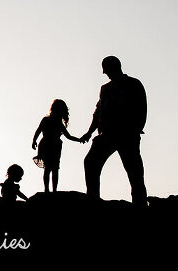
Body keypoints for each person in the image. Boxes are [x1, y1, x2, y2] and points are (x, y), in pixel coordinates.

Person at [81, 56, 148, 207]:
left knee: (134, 172)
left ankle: (140, 204)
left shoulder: (133, 84)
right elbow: (98, 112)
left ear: (114, 67)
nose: (105, 73)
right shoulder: (105, 89)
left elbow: (141, 107)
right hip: (107, 135)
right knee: (90, 162)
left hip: (127, 134)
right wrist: (90, 132)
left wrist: (136, 129)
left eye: (106, 69)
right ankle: (93, 200)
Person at [32, 99, 83, 192]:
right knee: (52, 168)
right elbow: (68, 136)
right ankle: (50, 189)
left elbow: (68, 136)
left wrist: (34, 141)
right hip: (51, 145)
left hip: (50, 145)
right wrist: (34, 140)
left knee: (50, 168)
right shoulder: (52, 121)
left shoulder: (50, 121)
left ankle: (50, 189)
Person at [0, 164, 27, 232]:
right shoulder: (11, 185)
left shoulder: (8, 183)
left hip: (5, 202)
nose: (20, 178)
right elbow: (19, 194)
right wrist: (27, 199)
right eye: (20, 176)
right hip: (9, 204)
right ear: (15, 175)